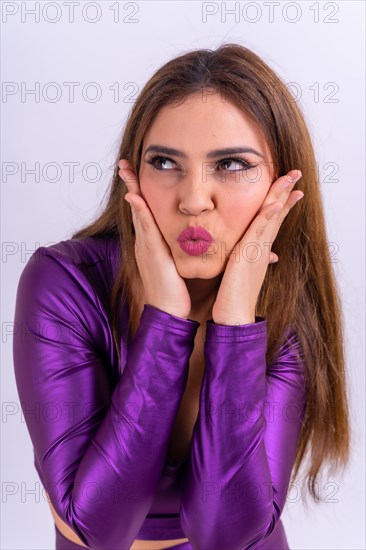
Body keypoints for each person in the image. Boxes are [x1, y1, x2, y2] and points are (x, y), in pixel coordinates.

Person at [13, 43, 351, 550]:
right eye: (166, 161)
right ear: (134, 173)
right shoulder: (64, 283)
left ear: (281, 185)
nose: (193, 199)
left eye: (232, 164)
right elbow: (98, 530)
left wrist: (236, 324)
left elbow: (225, 534)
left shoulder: (284, 304)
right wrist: (165, 320)